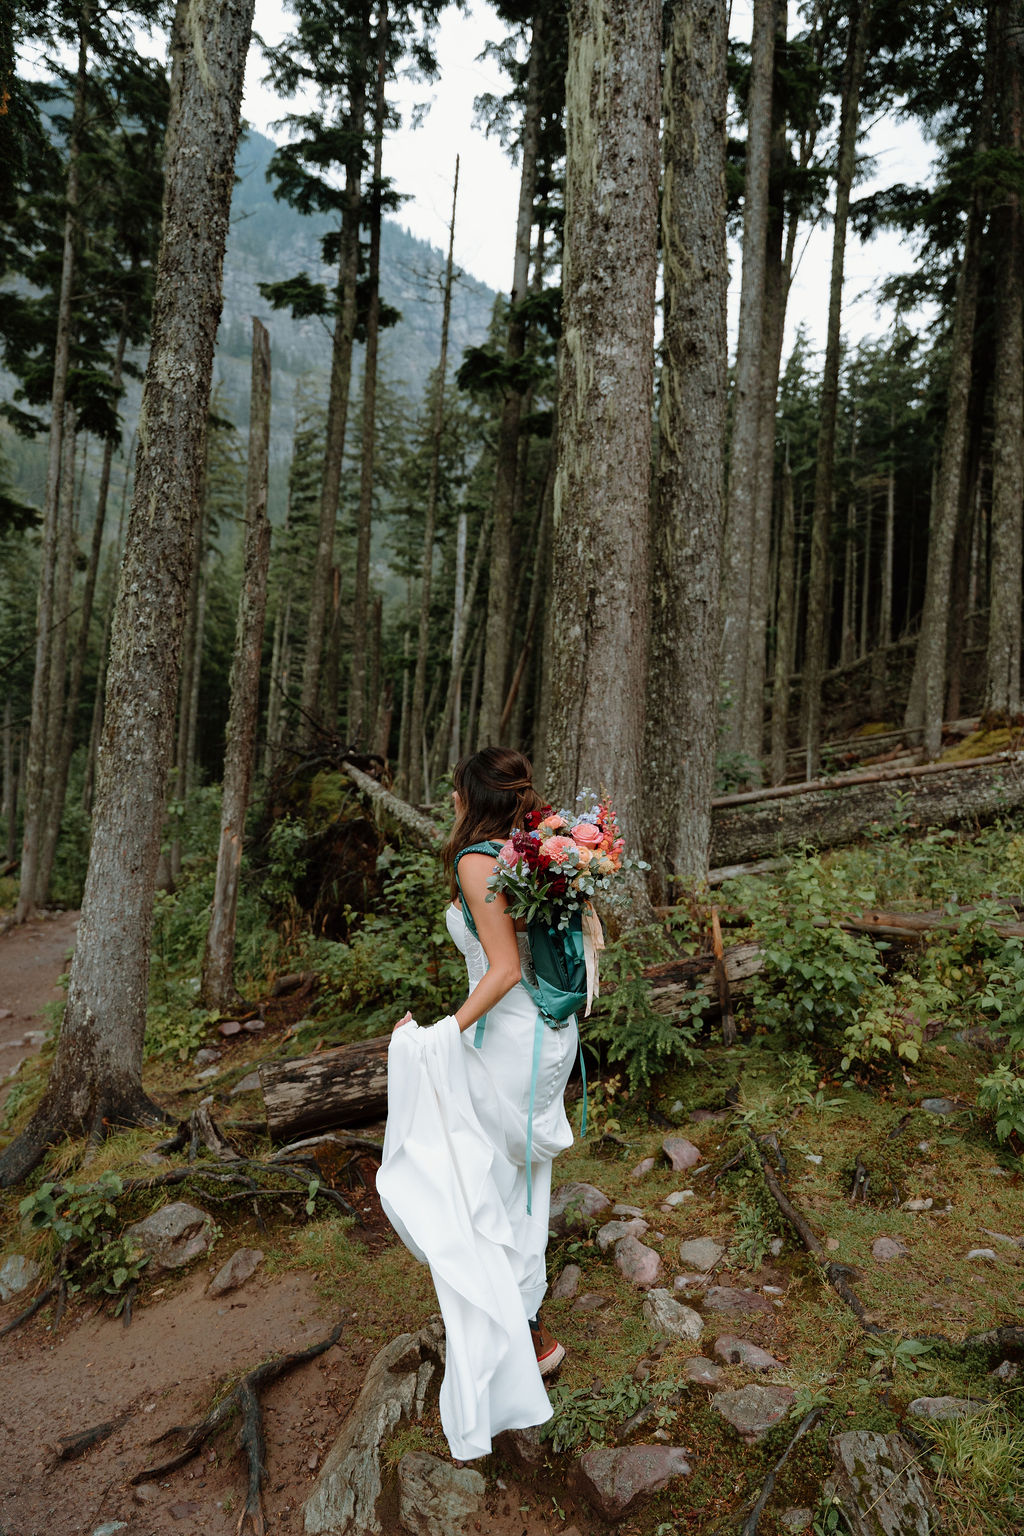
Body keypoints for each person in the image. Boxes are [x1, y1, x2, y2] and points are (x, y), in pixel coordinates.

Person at [376, 747, 579, 1461]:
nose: (449, 798)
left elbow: (504, 968)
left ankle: (516, 1342)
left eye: (456, 789)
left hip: (510, 1036)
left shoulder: (478, 861)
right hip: (541, 1031)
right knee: (514, 1186)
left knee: (486, 1188)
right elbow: (578, 944)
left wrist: (438, 1035)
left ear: (472, 796)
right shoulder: (531, 854)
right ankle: (527, 1336)